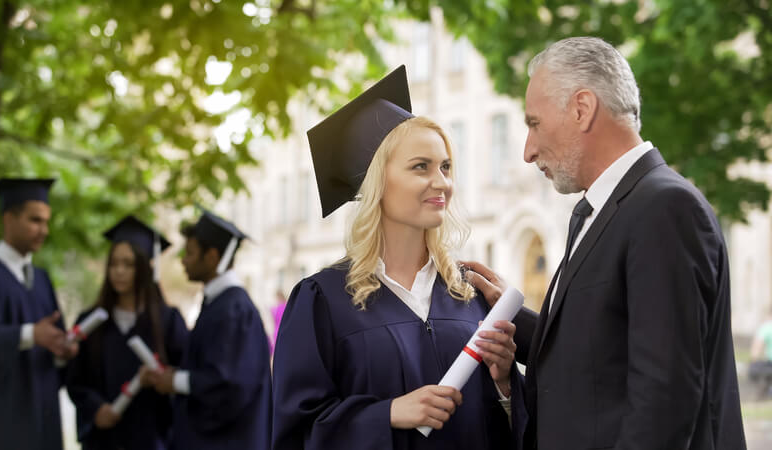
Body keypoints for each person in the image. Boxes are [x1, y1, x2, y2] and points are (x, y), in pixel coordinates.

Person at [464, 37, 746, 449]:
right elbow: (603, 351)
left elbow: (663, 404)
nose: (528, 150)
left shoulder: (664, 208)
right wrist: (511, 318)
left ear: (582, 108)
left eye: (534, 124)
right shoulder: (608, 208)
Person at [271, 65, 524, 450]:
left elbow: (504, 429)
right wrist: (386, 414)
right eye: (421, 166)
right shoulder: (323, 300)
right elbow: (297, 433)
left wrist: (505, 384)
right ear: (377, 182)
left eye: (446, 166)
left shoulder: (466, 295)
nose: (442, 182)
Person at [142, 208, 272, 449]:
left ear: (212, 257)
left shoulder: (234, 311)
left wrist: (176, 381)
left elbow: (231, 385)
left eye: (190, 253)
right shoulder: (220, 303)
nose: (183, 260)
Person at [66, 215, 189, 449]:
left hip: (151, 436)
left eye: (128, 264)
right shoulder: (91, 321)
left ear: (144, 268)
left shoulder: (168, 320)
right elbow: (76, 380)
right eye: (114, 263)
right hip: (103, 439)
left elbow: (182, 374)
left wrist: (164, 378)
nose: (119, 271)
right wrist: (95, 408)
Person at [0, 177, 77, 449]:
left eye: (46, 221)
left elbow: (54, 339)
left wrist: (62, 352)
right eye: (35, 220)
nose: (44, 230)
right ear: (9, 218)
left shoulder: (42, 279)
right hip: (1, 422)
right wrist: (32, 334)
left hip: (44, 419)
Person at [749, 311, 772, 399]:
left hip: (770, 364)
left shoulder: (766, 327)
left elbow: (757, 347)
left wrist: (753, 361)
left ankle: (762, 395)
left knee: (758, 371)